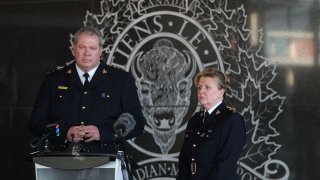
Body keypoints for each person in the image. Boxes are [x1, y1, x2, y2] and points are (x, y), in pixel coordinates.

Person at [28, 26, 145, 154]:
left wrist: (103, 133)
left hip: (107, 159)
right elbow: (36, 122)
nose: (87, 53)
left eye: (93, 48)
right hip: (63, 160)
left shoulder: (121, 80)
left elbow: (136, 122)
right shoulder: (54, 80)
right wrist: (63, 133)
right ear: (73, 50)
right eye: (82, 47)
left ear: (101, 51)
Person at [176, 68, 246, 180]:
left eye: (207, 87)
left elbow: (225, 165)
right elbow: (184, 160)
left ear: (221, 92)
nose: (201, 91)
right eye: (199, 88)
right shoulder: (195, 120)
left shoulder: (232, 120)